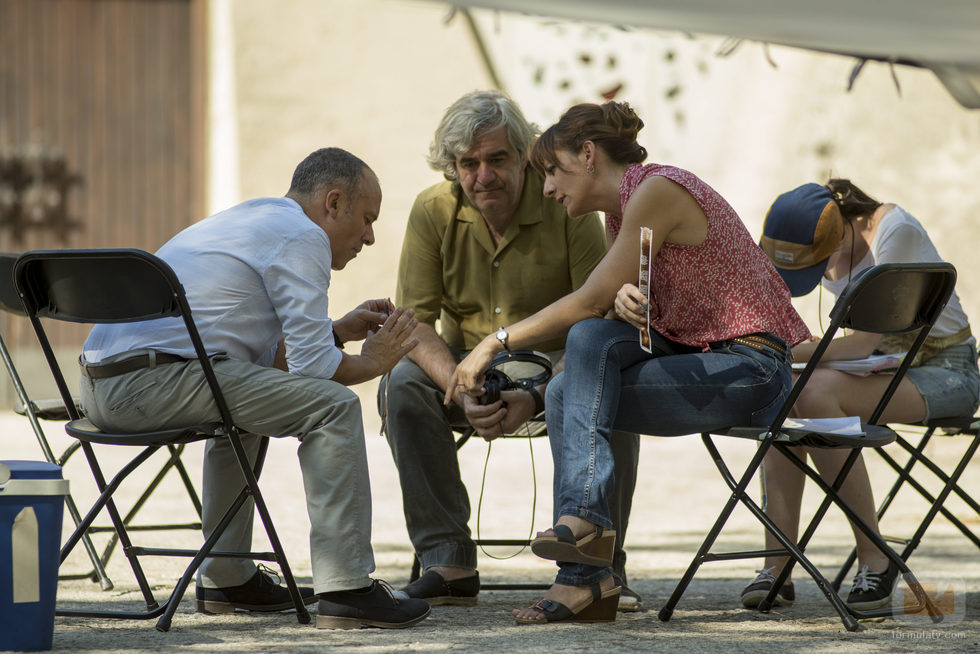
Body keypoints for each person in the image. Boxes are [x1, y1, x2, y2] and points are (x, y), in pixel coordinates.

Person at [447, 101, 811, 624]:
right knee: (583, 352)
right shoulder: (622, 210)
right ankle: (589, 557)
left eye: (552, 170)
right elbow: (614, 310)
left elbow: (589, 296)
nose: (547, 188)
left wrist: (494, 342)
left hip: (748, 368)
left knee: (571, 379)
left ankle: (585, 567)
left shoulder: (655, 191)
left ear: (588, 155)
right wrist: (626, 304)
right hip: (697, 354)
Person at [78, 148, 432, 630]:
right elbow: (314, 374)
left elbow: (278, 365)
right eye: (367, 219)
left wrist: (338, 331)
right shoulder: (303, 237)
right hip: (152, 383)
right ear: (333, 202)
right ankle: (347, 590)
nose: (369, 237)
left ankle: (227, 578)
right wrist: (374, 361)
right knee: (335, 407)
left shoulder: (254, 219)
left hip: (103, 386)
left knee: (252, 406)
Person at [379, 90, 643, 610]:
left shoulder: (568, 203)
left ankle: (599, 563)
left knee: (614, 379)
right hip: (467, 372)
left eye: (497, 159)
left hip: (561, 369)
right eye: (468, 164)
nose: (483, 176)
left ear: (523, 154)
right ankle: (447, 560)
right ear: (453, 167)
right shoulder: (433, 208)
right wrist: (459, 383)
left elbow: (600, 314)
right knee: (401, 384)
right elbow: (414, 324)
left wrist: (541, 393)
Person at [746, 180, 980, 610]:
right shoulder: (832, 244)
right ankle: (777, 563)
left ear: (843, 231)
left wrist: (772, 347)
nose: (825, 274)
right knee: (786, 393)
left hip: (947, 372)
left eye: (822, 261)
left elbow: (861, 344)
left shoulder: (895, 231)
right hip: (885, 370)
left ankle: (874, 558)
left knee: (810, 390)